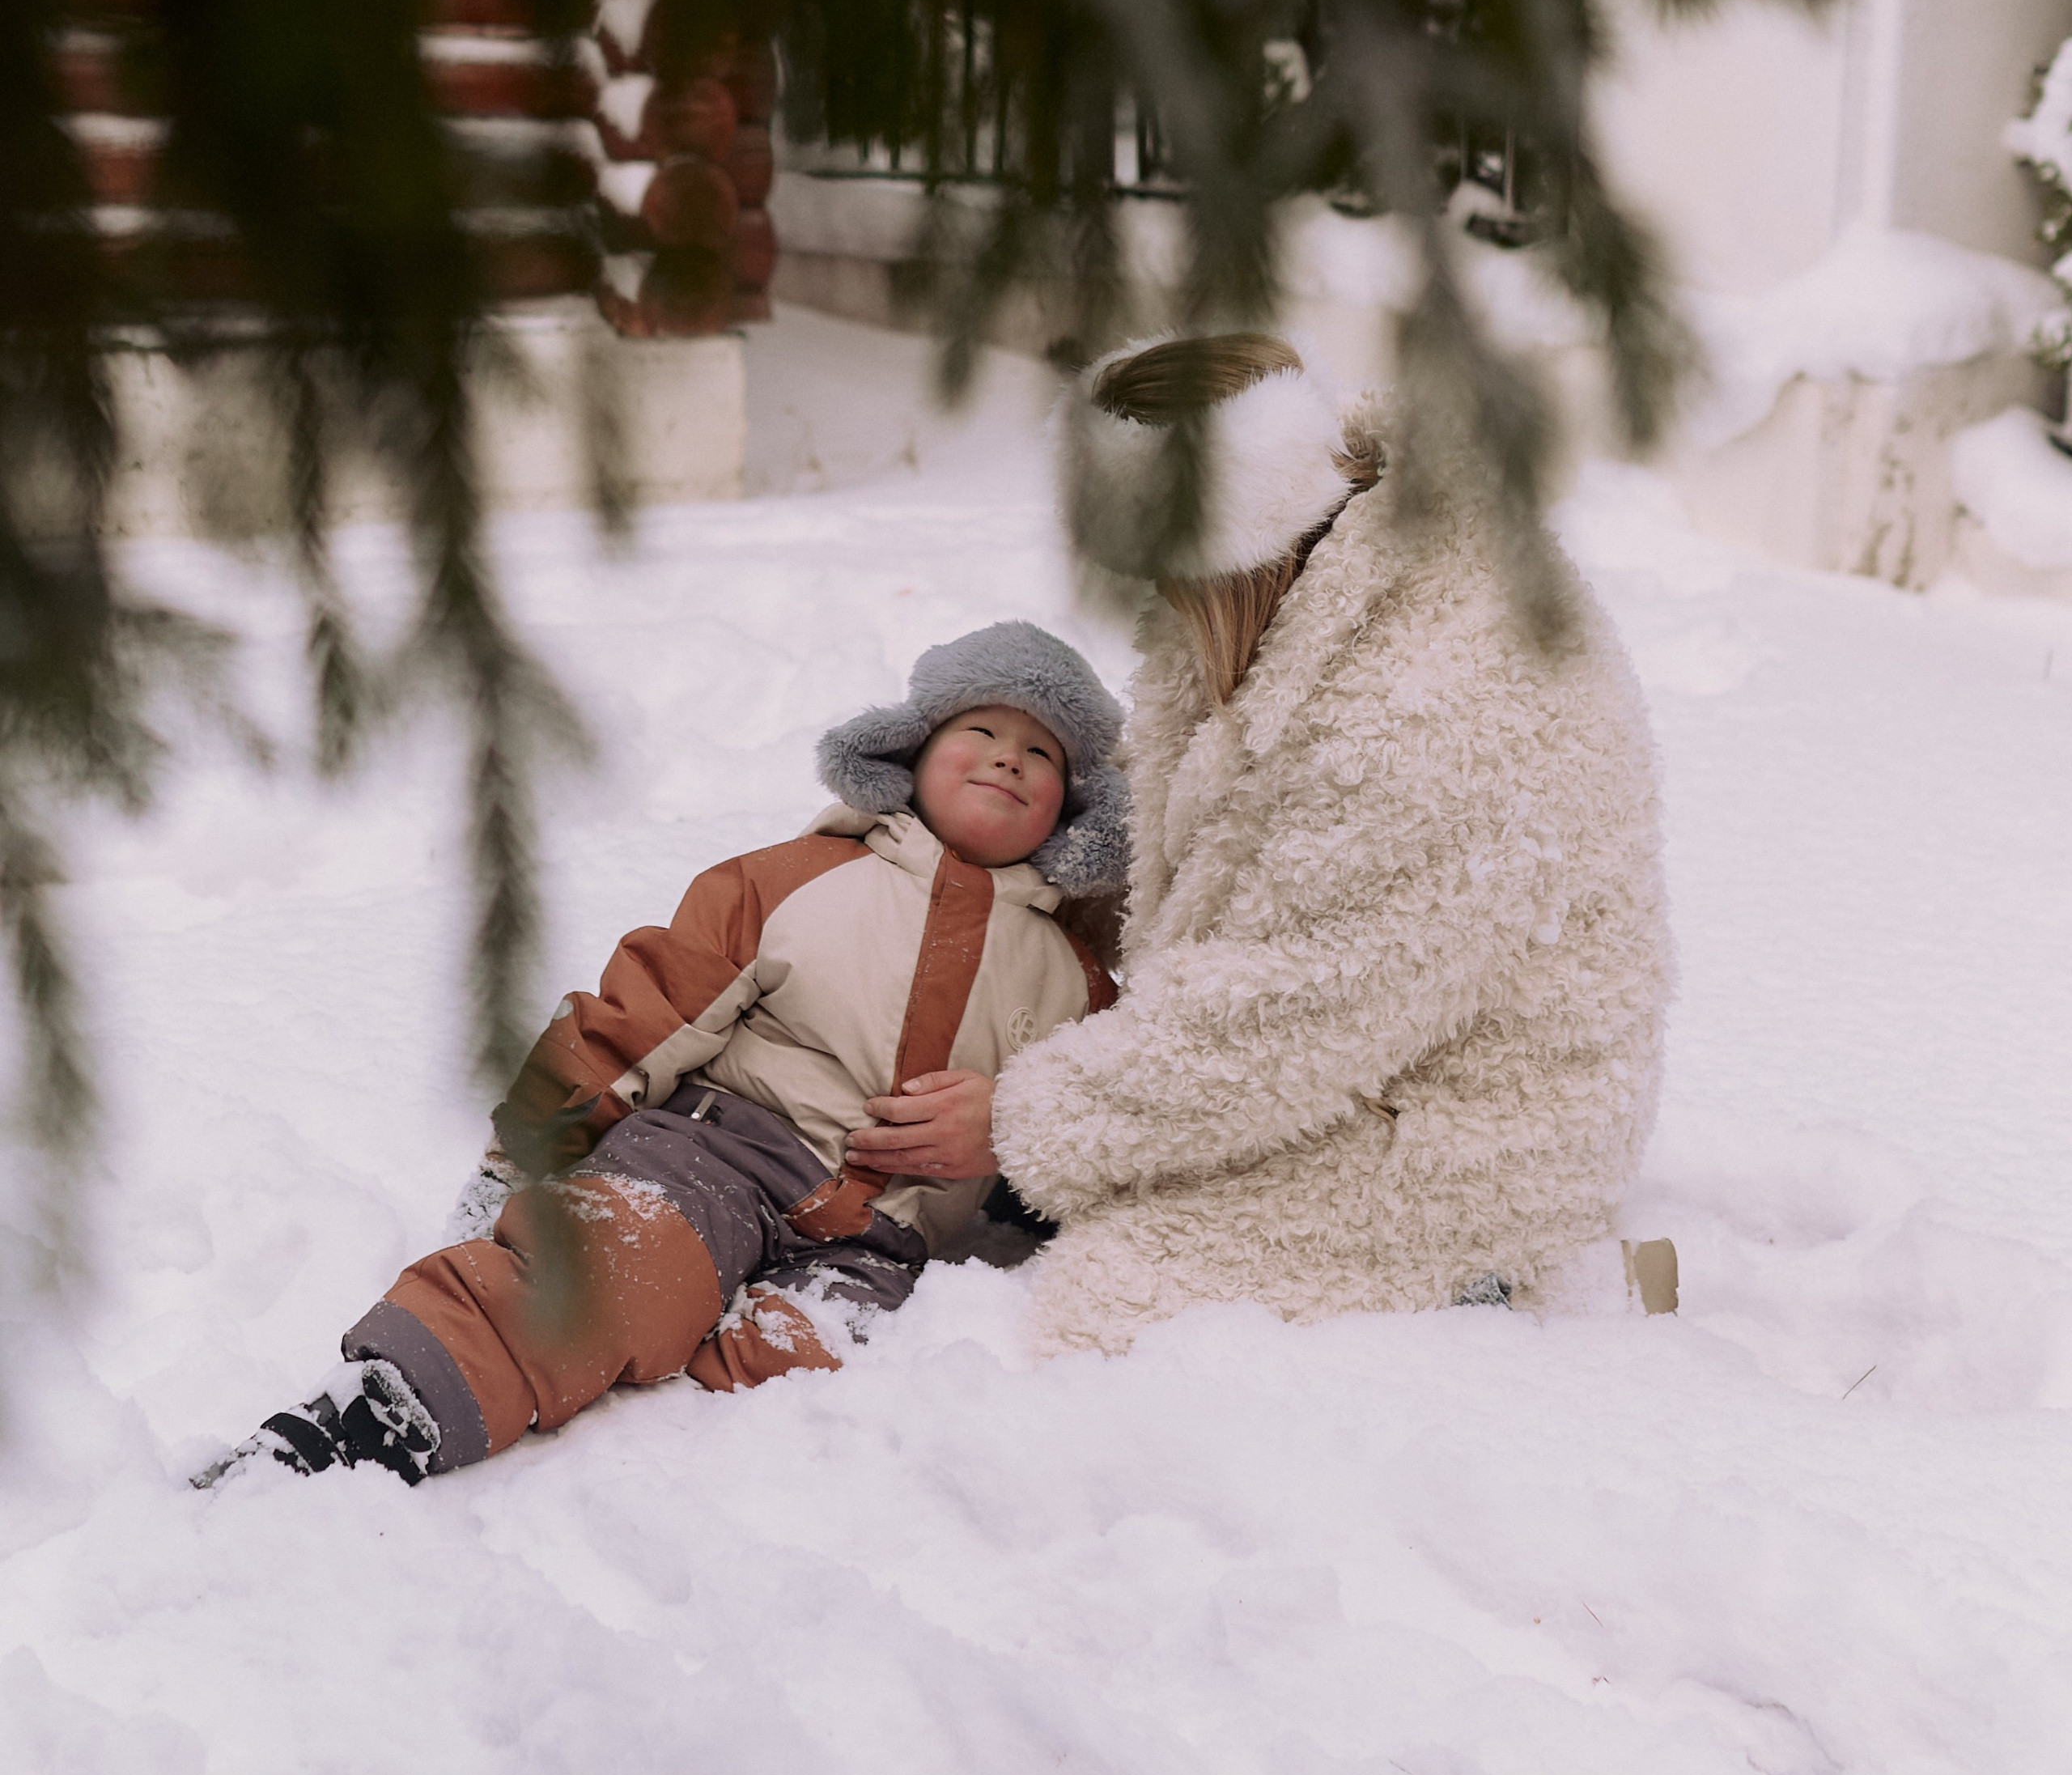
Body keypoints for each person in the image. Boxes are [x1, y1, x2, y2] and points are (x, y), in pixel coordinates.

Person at [201, 622, 1127, 1487]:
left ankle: (661, 1455)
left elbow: (1087, 1128)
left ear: (1075, 811)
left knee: (809, 1372)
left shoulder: (1077, 983)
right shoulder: (797, 879)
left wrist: (1015, 1147)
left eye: (1041, 753)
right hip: (716, 1159)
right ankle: (377, 1413)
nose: (1009, 757)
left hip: (880, 1243)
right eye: (980, 731)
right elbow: (642, 1013)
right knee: (615, 1274)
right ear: (909, 753)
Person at [989, 332, 1675, 1352]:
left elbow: (1288, 1012)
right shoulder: (1323, 561)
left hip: (1463, 1135)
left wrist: (1022, 1123)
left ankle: (1495, 1296)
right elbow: (1224, 817)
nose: (1156, 603)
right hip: (1375, 1049)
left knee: (1101, 1317)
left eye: (1163, 575)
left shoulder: (1428, 714)